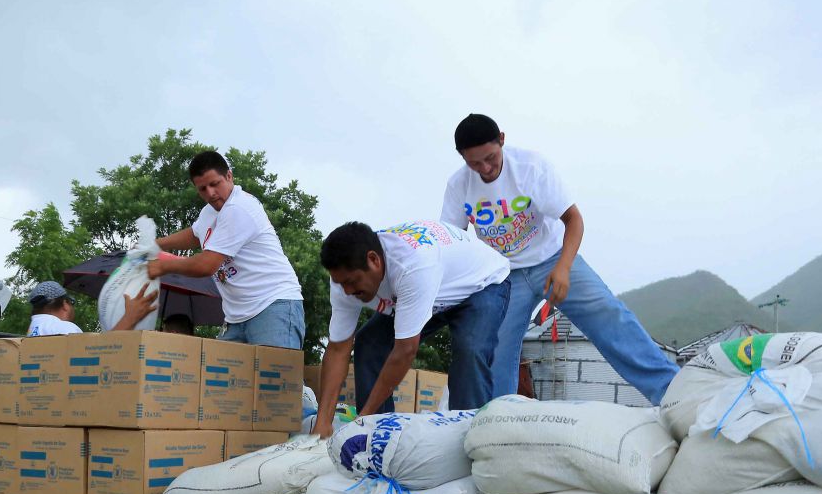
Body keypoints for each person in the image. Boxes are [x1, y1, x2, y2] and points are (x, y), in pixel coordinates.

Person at [442, 113, 679, 404]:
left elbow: (574, 219)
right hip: (502, 276)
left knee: (609, 314)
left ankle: (672, 393)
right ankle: (493, 420)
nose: (485, 168)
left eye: (490, 157)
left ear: (502, 139)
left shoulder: (530, 167)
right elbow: (453, 242)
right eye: (474, 163)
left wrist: (564, 268)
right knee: (494, 348)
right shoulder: (459, 185)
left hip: (552, 258)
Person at [311, 220, 510, 437]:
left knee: (469, 349)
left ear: (374, 260)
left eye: (352, 282)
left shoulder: (411, 266)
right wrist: (323, 423)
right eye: (341, 283)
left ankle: (472, 438)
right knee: (369, 344)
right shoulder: (343, 282)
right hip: (433, 290)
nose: (348, 291)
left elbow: (405, 350)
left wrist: (364, 417)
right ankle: (377, 438)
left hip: (482, 284)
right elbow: (338, 349)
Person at [150, 151, 305, 349]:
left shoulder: (239, 208)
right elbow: (195, 234)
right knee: (218, 378)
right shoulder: (210, 211)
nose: (210, 193)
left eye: (215, 184)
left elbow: (206, 265)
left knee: (274, 377)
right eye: (202, 189)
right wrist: (156, 244)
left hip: (273, 305)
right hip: (236, 316)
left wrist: (163, 266)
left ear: (229, 176)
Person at [26, 279, 158, 336]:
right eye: (72, 302)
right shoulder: (64, 328)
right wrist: (130, 317)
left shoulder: (32, 330)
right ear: (65, 305)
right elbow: (94, 357)